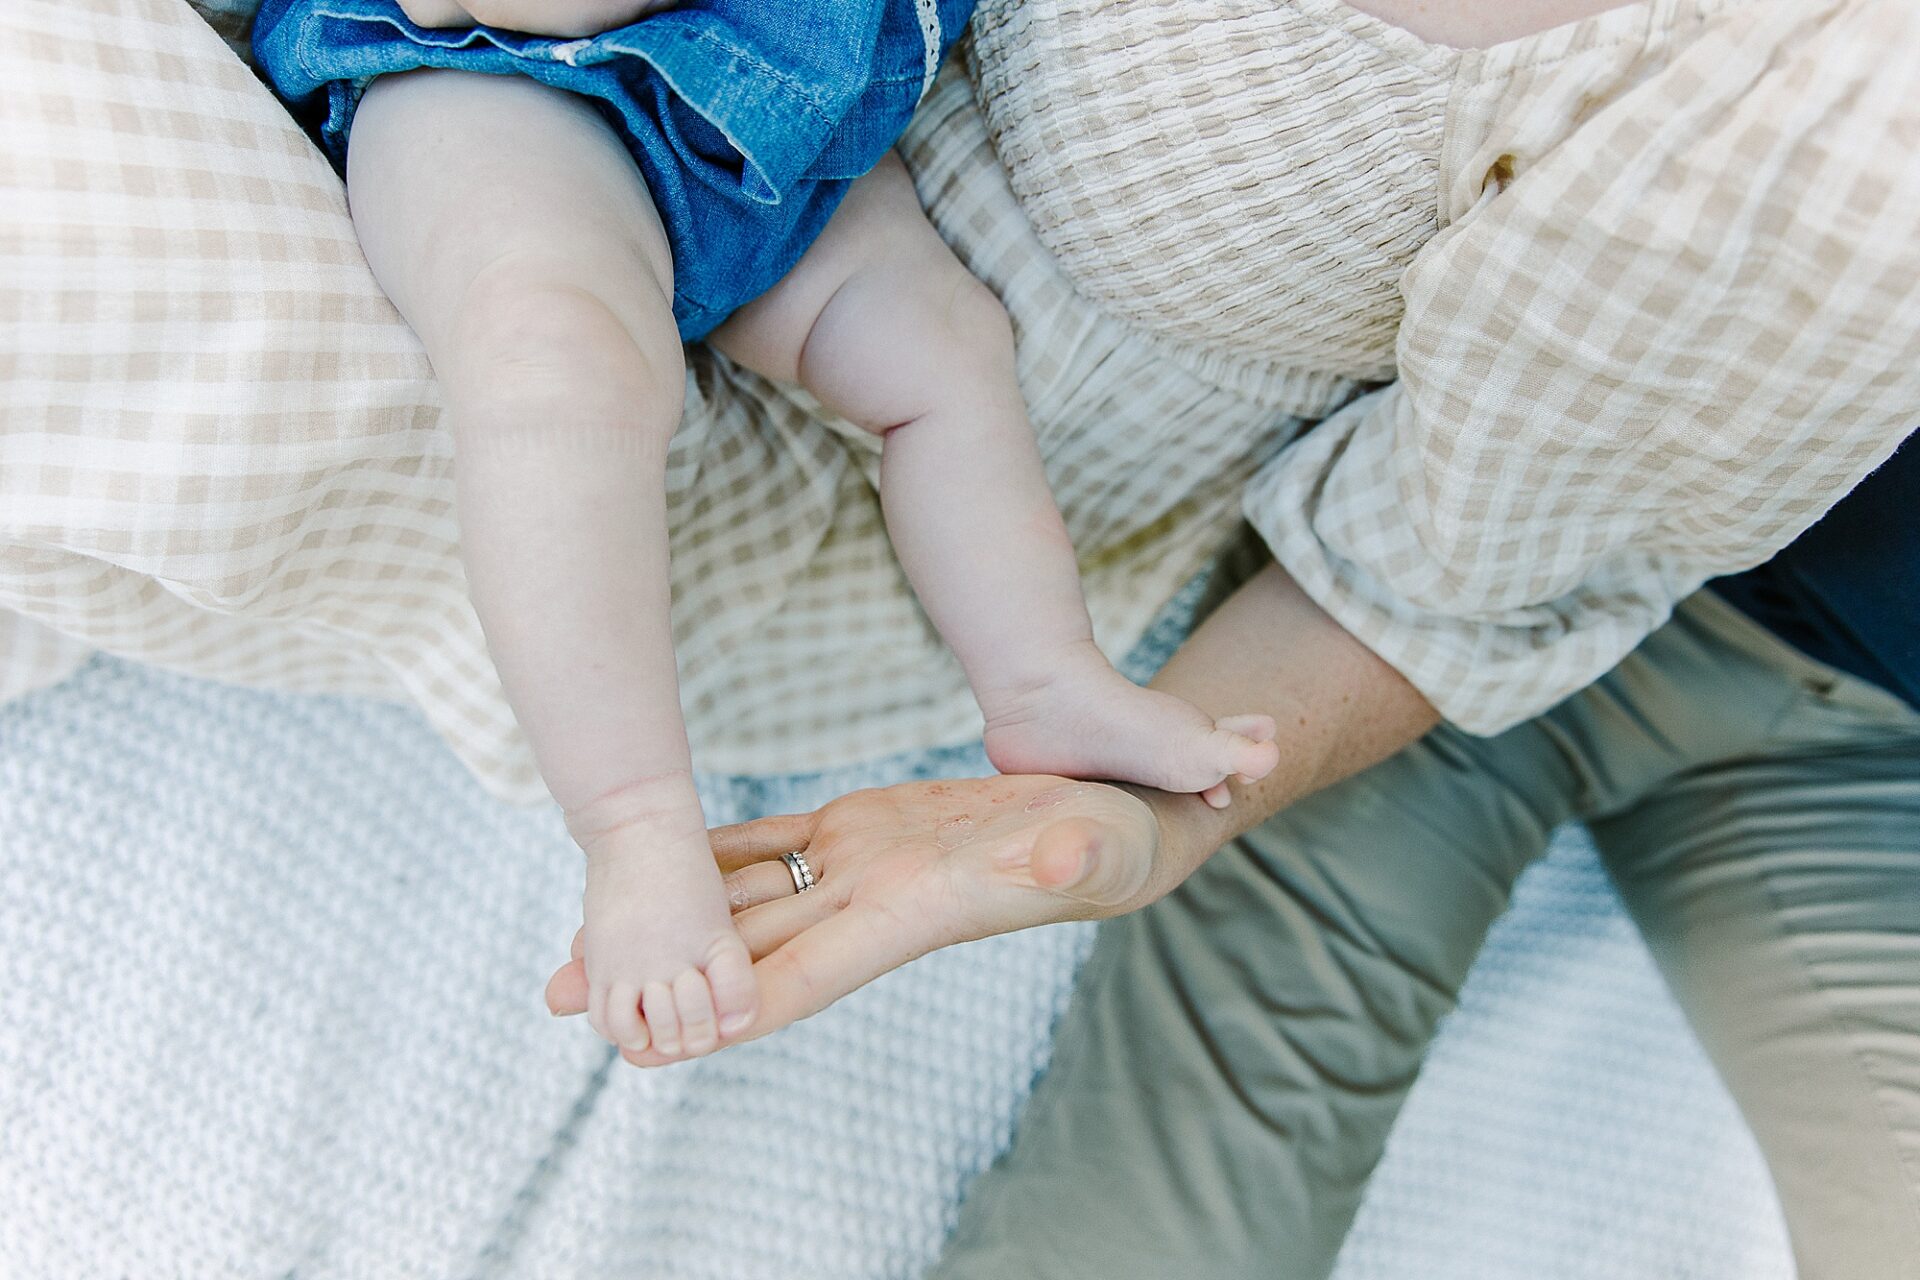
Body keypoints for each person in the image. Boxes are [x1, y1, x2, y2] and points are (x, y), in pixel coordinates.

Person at [533, 1, 1920, 1273]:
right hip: (1483, 607)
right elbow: (1429, 580)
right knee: (1177, 1190)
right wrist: (1144, 818)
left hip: (1864, 749)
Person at [248, 0, 1277, 1061]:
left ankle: (1042, 676)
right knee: (555, 359)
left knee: (940, 348)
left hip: (773, 138)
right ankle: (635, 822)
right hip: (503, 88)